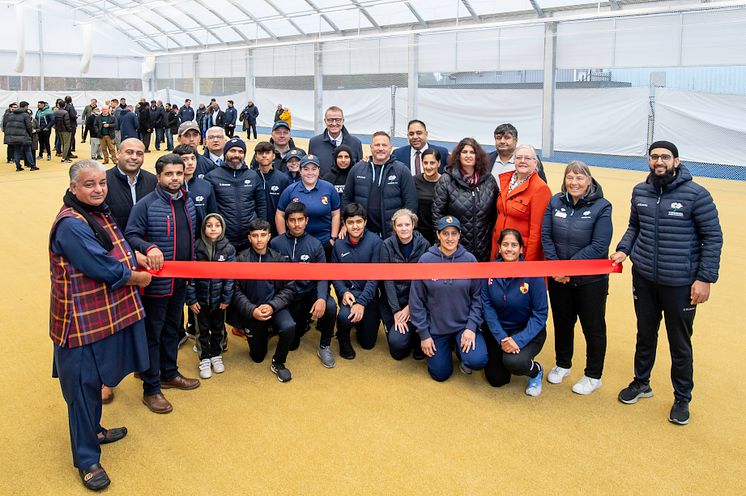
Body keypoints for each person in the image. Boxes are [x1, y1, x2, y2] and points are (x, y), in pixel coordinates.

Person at [50, 160, 152, 490]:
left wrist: (135, 255)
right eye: (90, 185)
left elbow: (116, 245)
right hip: (77, 321)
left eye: (102, 183)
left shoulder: (95, 211)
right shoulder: (70, 224)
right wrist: (137, 277)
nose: (98, 190)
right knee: (81, 388)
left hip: (97, 315)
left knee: (94, 381)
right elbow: (102, 267)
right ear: (73, 188)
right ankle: (86, 460)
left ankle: (94, 431)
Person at [611, 140, 722, 425]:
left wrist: (704, 278)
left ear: (676, 160)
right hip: (645, 278)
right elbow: (634, 226)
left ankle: (682, 397)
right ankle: (641, 382)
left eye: (664, 157)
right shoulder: (641, 191)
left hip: (680, 284)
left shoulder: (696, 195)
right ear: (649, 160)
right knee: (645, 334)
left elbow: (712, 238)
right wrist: (624, 249)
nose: (659, 161)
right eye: (654, 157)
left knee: (680, 343)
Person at [126, 154, 200, 414]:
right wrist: (150, 247)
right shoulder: (146, 205)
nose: (175, 178)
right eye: (169, 174)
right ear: (159, 176)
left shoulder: (189, 203)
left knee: (172, 330)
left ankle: (170, 373)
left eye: (179, 173)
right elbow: (131, 235)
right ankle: (151, 388)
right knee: (152, 335)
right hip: (156, 284)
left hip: (180, 282)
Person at [541, 161, 613, 395]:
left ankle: (593, 375)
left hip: (590, 281)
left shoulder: (603, 206)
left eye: (580, 178)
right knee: (562, 322)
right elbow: (546, 236)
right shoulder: (554, 201)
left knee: (592, 327)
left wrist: (568, 269)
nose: (574, 182)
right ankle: (563, 364)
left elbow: (600, 246)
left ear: (589, 180)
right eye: (570, 177)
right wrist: (556, 266)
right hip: (558, 278)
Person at [409, 216, 489, 381]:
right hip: (437, 329)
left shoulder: (470, 260)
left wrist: (471, 327)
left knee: (477, 360)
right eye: (445, 233)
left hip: (463, 326)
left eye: (454, 233)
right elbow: (416, 302)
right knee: (440, 374)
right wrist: (424, 335)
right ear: (438, 235)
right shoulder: (426, 261)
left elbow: (477, 298)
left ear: (459, 235)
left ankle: (462, 352)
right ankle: (448, 349)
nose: (450, 238)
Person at [227, 219, 297, 382]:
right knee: (257, 356)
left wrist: (273, 306)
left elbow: (289, 288)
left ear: (269, 237)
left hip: (274, 307)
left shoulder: (279, 259)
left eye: (263, 235)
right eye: (255, 236)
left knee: (289, 327)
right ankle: (262, 331)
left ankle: (278, 362)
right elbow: (235, 291)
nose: (259, 239)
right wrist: (252, 310)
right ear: (249, 238)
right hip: (253, 312)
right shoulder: (241, 260)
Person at [271, 202, 338, 368]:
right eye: (292, 220)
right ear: (286, 222)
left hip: (308, 292)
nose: (296, 224)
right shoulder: (275, 243)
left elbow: (323, 275)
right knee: (292, 344)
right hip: (287, 296)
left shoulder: (315, 244)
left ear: (306, 221)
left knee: (330, 305)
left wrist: (321, 298)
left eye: (300, 219)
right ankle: (299, 325)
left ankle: (324, 346)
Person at [482, 229, 548, 396]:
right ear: (499, 248)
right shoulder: (489, 271)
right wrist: (502, 338)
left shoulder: (533, 274)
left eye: (514, 245)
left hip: (526, 331)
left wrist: (518, 340)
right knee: (497, 380)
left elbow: (540, 313)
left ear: (521, 249)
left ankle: (535, 370)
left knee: (515, 362)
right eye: (505, 245)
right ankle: (504, 356)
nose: (509, 249)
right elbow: (487, 307)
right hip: (500, 332)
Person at [186, 213, 235, 379]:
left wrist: (226, 298)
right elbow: (190, 277)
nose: (213, 228)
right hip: (200, 301)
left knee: (218, 329)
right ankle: (204, 358)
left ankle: (216, 355)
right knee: (202, 331)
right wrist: (191, 300)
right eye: (209, 225)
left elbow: (230, 277)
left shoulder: (228, 248)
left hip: (219, 301)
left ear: (222, 228)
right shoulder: (196, 247)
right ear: (203, 228)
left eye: (217, 225)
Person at [331, 203, 383, 359]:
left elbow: (374, 278)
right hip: (350, 295)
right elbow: (335, 274)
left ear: (365, 222)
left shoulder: (375, 242)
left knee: (367, 344)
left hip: (369, 297)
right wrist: (343, 292)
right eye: (351, 222)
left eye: (359, 221)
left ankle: (360, 322)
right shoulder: (339, 244)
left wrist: (362, 303)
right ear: (344, 224)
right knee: (344, 318)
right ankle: (342, 336)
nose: (355, 226)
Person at [432, 137, 497, 262]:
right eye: (464, 152)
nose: (468, 155)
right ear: (458, 156)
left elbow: (495, 213)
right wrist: (443, 244)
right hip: (455, 248)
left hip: (484, 247)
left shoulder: (489, 180)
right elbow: (437, 216)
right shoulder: (446, 180)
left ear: (478, 156)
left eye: (472, 152)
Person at [342, 131, 417, 238]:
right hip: (362, 234)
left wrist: (402, 229)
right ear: (371, 147)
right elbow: (346, 199)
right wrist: (344, 223)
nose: (380, 148)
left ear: (390, 148)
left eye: (384, 145)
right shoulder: (357, 169)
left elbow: (410, 203)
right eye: (377, 145)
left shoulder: (402, 170)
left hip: (392, 235)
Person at [380, 209, 430, 360]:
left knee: (418, 350)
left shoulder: (424, 245)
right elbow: (387, 279)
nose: (404, 228)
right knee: (398, 349)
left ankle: (416, 338)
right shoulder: (386, 245)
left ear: (413, 224)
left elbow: (423, 281)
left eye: (407, 224)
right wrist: (396, 311)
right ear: (394, 227)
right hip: (393, 301)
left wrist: (410, 307)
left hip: (416, 301)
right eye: (399, 225)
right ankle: (403, 335)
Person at [490, 144, 552, 262]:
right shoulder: (506, 181)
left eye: (527, 158)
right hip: (499, 250)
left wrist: (527, 264)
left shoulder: (540, 189)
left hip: (520, 255)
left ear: (536, 162)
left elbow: (537, 232)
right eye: (518, 158)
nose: (522, 161)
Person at [204, 137, 266, 252]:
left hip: (249, 238)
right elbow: (210, 209)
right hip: (223, 239)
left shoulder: (253, 176)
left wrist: (260, 229)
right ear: (225, 153)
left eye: (240, 152)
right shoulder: (212, 176)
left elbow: (261, 205)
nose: (236, 155)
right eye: (232, 151)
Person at [276, 154, 340, 256]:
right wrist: (284, 238)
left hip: (324, 241)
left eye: (314, 169)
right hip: (297, 242)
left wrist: (333, 238)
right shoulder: (290, 190)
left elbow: (336, 214)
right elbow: (280, 215)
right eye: (306, 169)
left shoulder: (329, 188)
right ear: (300, 171)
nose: (310, 173)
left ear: (319, 170)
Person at [105, 138, 157, 231]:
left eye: (139, 154)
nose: (134, 157)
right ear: (118, 154)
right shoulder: (103, 181)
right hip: (115, 241)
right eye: (129, 152)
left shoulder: (153, 181)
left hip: (145, 242)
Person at [308, 106, 363, 177]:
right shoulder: (315, 142)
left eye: (337, 120)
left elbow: (359, 170)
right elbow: (311, 167)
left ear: (343, 121)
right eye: (330, 120)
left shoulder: (355, 143)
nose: (334, 124)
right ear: (325, 121)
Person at [251, 140, 290, 236]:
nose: (264, 156)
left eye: (268, 153)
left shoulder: (283, 179)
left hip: (276, 228)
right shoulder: (250, 177)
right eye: (260, 153)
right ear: (256, 157)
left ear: (273, 156)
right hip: (255, 228)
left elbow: (286, 206)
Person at [174, 144, 217, 229]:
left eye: (193, 158)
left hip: (201, 238)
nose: (190, 163)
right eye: (184, 159)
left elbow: (213, 215)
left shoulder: (206, 185)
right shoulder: (171, 187)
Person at [413, 148, 441, 245]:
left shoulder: (445, 182)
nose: (428, 167)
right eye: (425, 163)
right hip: (418, 234)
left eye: (432, 163)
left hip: (439, 233)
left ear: (439, 163)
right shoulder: (414, 181)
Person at [4, 101, 36, 171]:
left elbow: (6, 125)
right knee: (28, 150)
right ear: (25, 107)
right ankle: (32, 165)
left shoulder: (11, 114)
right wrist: (30, 134)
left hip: (13, 136)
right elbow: (29, 126)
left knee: (16, 151)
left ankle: (18, 166)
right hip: (24, 135)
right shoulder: (26, 115)